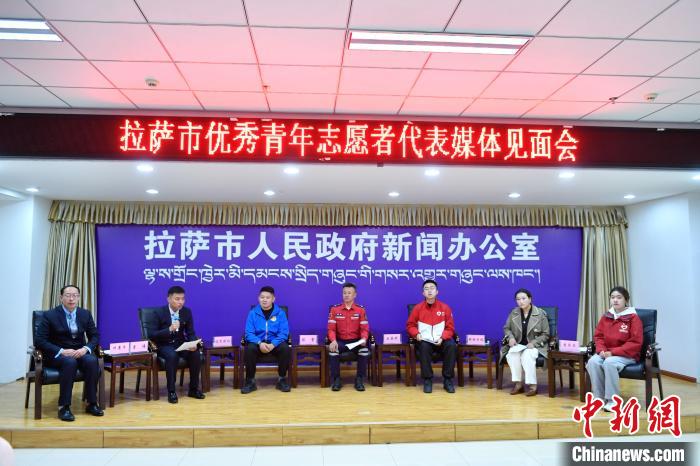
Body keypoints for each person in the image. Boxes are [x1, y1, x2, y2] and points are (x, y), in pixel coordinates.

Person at [34, 285, 104, 421]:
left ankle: (91, 403)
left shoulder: (85, 314)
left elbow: (95, 336)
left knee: (91, 360)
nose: (71, 299)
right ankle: (64, 406)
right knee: (70, 362)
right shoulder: (50, 315)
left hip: (79, 352)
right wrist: (61, 351)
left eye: (74, 295)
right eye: (68, 295)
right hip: (58, 354)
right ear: (61, 298)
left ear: (78, 297)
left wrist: (85, 349)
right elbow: (39, 340)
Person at [586, 286, 642, 412]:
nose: (615, 300)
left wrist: (612, 353)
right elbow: (598, 336)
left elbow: (635, 342)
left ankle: (613, 401)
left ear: (626, 300)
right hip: (607, 353)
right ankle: (599, 398)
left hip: (627, 355)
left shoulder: (633, 318)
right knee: (593, 361)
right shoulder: (606, 316)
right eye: (612, 297)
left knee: (609, 363)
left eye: (619, 297)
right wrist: (601, 350)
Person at [147, 285, 205, 404]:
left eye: (183, 299)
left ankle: (193, 389)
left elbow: (190, 333)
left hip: (180, 344)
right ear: (169, 299)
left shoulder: (186, 312)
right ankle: (171, 391)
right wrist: (168, 329)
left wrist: (193, 343)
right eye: (177, 299)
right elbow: (151, 334)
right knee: (172, 356)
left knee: (196, 354)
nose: (180, 302)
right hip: (164, 345)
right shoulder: (158, 312)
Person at [406, 279, 457, 393]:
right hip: (425, 340)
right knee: (424, 347)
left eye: (432, 288)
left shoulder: (445, 308)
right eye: (426, 289)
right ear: (423, 293)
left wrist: (442, 338)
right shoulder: (417, 308)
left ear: (437, 292)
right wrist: (416, 334)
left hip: (441, 339)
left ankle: (447, 380)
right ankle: (427, 379)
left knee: (451, 346)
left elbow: (450, 328)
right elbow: (410, 325)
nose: (429, 291)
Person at [241, 286, 291, 394]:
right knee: (249, 349)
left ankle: (282, 380)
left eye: (268, 297)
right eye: (262, 297)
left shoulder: (280, 313)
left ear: (273, 299)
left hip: (274, 343)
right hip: (258, 342)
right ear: (258, 298)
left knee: (285, 348)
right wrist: (260, 343)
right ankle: (250, 382)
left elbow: (284, 333)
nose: (264, 300)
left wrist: (273, 344)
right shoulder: (253, 313)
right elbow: (249, 333)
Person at [500, 288, 550, 397]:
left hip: (534, 346)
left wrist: (534, 343)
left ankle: (532, 386)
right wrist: (511, 338)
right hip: (518, 345)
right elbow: (507, 328)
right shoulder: (514, 312)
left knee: (527, 355)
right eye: (518, 299)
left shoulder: (540, 314)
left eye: (523, 298)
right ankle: (518, 384)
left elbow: (546, 334)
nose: (521, 301)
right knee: (512, 355)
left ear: (530, 299)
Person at [327, 282, 371, 391]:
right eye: (344, 293)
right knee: (333, 350)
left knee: (364, 351)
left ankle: (359, 379)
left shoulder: (360, 310)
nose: (346, 295)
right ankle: (336, 379)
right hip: (340, 341)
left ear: (355, 295)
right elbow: (331, 329)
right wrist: (333, 340)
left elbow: (364, 329)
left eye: (349, 293)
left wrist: (364, 339)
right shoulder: (335, 309)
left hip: (356, 342)